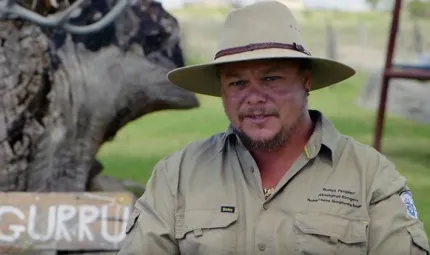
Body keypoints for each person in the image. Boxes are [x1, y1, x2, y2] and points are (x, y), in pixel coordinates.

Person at [118, 1, 429, 254]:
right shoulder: (178, 176)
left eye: (271, 78)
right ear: (222, 92)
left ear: (306, 80)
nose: (254, 97)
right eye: (237, 82)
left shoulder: (370, 177)